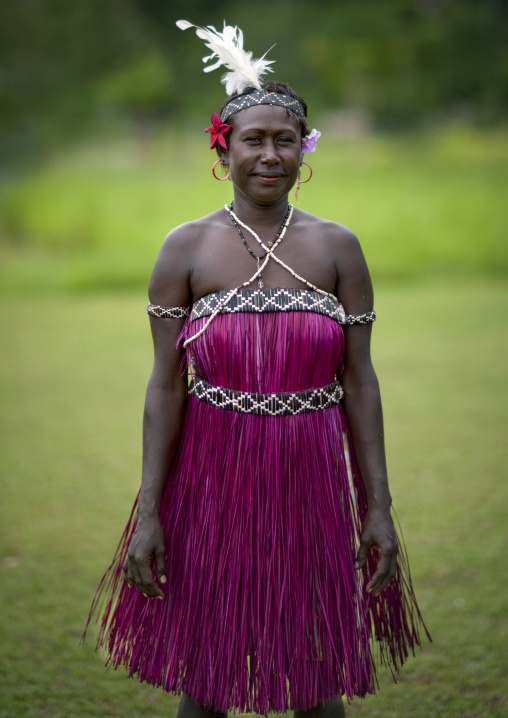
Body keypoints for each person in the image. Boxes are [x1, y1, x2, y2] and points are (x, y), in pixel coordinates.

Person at [86, 21, 429, 718]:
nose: (270, 154)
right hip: (210, 478)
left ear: (304, 151)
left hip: (311, 476)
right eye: (254, 139)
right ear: (224, 147)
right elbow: (164, 384)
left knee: (315, 672)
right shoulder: (184, 250)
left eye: (285, 140)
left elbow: (360, 382)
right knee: (206, 674)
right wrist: (149, 512)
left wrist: (378, 506)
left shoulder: (339, 249)